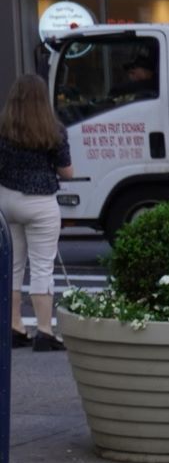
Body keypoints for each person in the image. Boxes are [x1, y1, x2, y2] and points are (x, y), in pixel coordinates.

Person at [0, 74, 73, 351]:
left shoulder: (3, 128)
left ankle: (15, 327)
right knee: (42, 266)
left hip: (6, 200)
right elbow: (67, 170)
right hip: (40, 203)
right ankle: (44, 331)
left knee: (12, 267)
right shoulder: (53, 130)